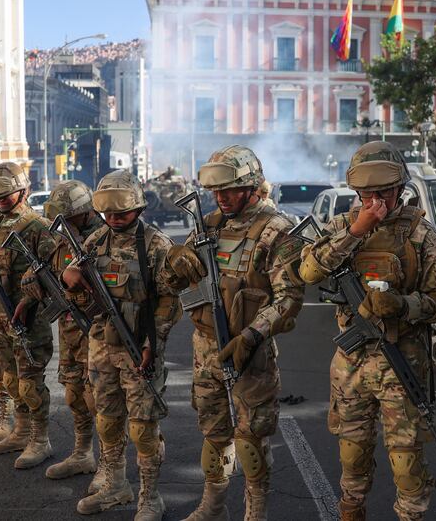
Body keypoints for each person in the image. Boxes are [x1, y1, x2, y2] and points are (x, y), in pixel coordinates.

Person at [298, 141, 436, 521]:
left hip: (403, 364)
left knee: (406, 464)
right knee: (352, 458)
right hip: (351, 365)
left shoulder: (421, 234)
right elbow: (309, 272)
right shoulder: (342, 227)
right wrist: (356, 231)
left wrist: (403, 306)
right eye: (367, 194)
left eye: (384, 192)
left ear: (400, 187)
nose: (376, 201)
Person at [162, 144, 304, 521]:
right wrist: (174, 262)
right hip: (205, 349)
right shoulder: (208, 225)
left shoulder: (277, 231)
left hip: (250, 352)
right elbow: (172, 281)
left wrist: (252, 335)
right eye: (215, 191)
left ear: (252, 186)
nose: (220, 198)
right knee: (214, 434)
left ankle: (255, 511)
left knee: (250, 440)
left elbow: (289, 298)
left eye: (229, 190)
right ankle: (214, 504)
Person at [63, 171, 178, 520]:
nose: (113, 219)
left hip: (139, 348)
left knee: (143, 428)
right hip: (101, 345)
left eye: (121, 213)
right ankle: (115, 485)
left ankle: (150, 497)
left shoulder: (156, 245)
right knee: (107, 419)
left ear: (138, 208)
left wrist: (153, 342)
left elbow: (169, 300)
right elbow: (74, 272)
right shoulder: (96, 240)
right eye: (108, 213)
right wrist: (69, 275)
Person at [0, 162, 56, 470]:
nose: (1, 201)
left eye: (6, 196)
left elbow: (53, 274)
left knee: (30, 383)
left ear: (23, 192)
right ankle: (21, 431)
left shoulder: (38, 227)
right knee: (10, 378)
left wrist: (30, 296)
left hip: (28, 318)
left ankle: (40, 439)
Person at [41, 180, 105, 485]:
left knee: (101, 401)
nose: (62, 221)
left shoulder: (103, 238)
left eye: (68, 216)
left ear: (85, 211)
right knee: (74, 395)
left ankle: (109, 464)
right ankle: (82, 452)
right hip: (69, 331)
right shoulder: (61, 240)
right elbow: (41, 272)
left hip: (99, 333)